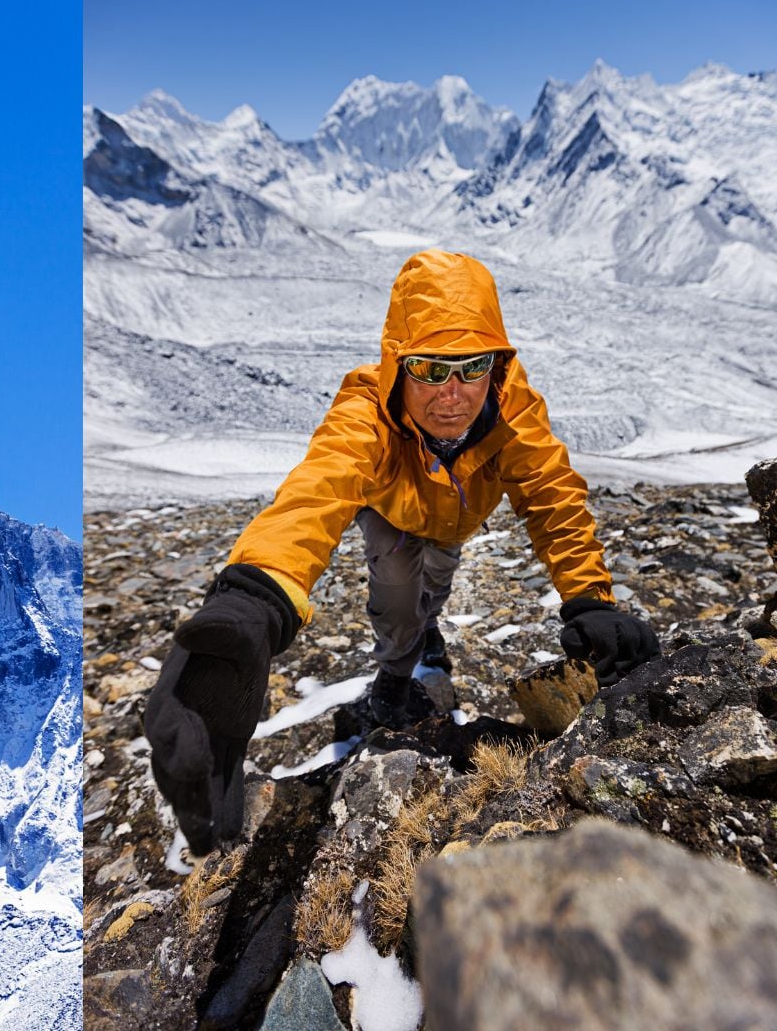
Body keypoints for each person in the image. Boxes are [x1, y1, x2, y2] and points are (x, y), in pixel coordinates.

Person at [145, 249, 660, 855]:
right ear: (397, 366)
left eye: (472, 368)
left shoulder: (515, 410)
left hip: (452, 527)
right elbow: (319, 486)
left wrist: (589, 597)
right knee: (395, 596)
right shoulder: (368, 410)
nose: (453, 394)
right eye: (430, 369)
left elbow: (552, 496)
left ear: (497, 365)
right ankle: (393, 677)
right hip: (390, 517)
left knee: (433, 588)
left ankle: (426, 633)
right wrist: (255, 595)